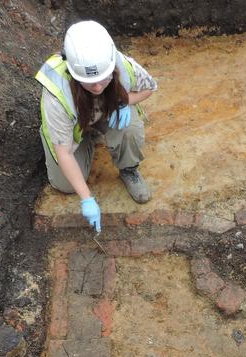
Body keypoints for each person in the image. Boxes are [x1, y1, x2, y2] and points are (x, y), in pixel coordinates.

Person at [35, 20, 158, 232]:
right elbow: (63, 152)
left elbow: (150, 88)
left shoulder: (120, 64)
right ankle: (87, 139)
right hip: (73, 123)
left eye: (103, 79)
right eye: (89, 82)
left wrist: (124, 103)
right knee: (65, 184)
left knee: (129, 128)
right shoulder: (57, 94)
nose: (98, 86)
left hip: (106, 111)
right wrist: (87, 199)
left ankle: (129, 169)